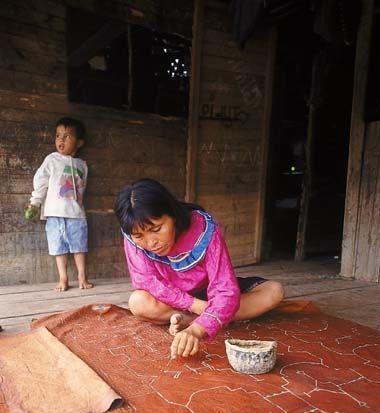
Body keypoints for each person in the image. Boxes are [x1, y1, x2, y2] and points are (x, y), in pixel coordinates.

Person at [114, 179, 284, 359]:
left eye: (157, 228)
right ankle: (217, 316)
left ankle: (193, 320)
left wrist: (196, 330)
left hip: (208, 293)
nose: (151, 242)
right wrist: (197, 306)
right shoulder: (132, 235)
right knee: (138, 302)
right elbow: (147, 281)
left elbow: (224, 288)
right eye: (139, 236)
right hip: (173, 299)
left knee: (274, 291)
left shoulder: (203, 229)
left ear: (172, 214)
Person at [25, 117, 93, 291]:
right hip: (54, 212)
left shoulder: (82, 165)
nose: (61, 140)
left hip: (76, 214)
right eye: (58, 136)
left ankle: (81, 276)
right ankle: (63, 278)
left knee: (80, 245)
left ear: (79, 143)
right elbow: (40, 181)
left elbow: (82, 188)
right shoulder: (51, 160)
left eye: (67, 136)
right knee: (58, 247)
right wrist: (35, 203)